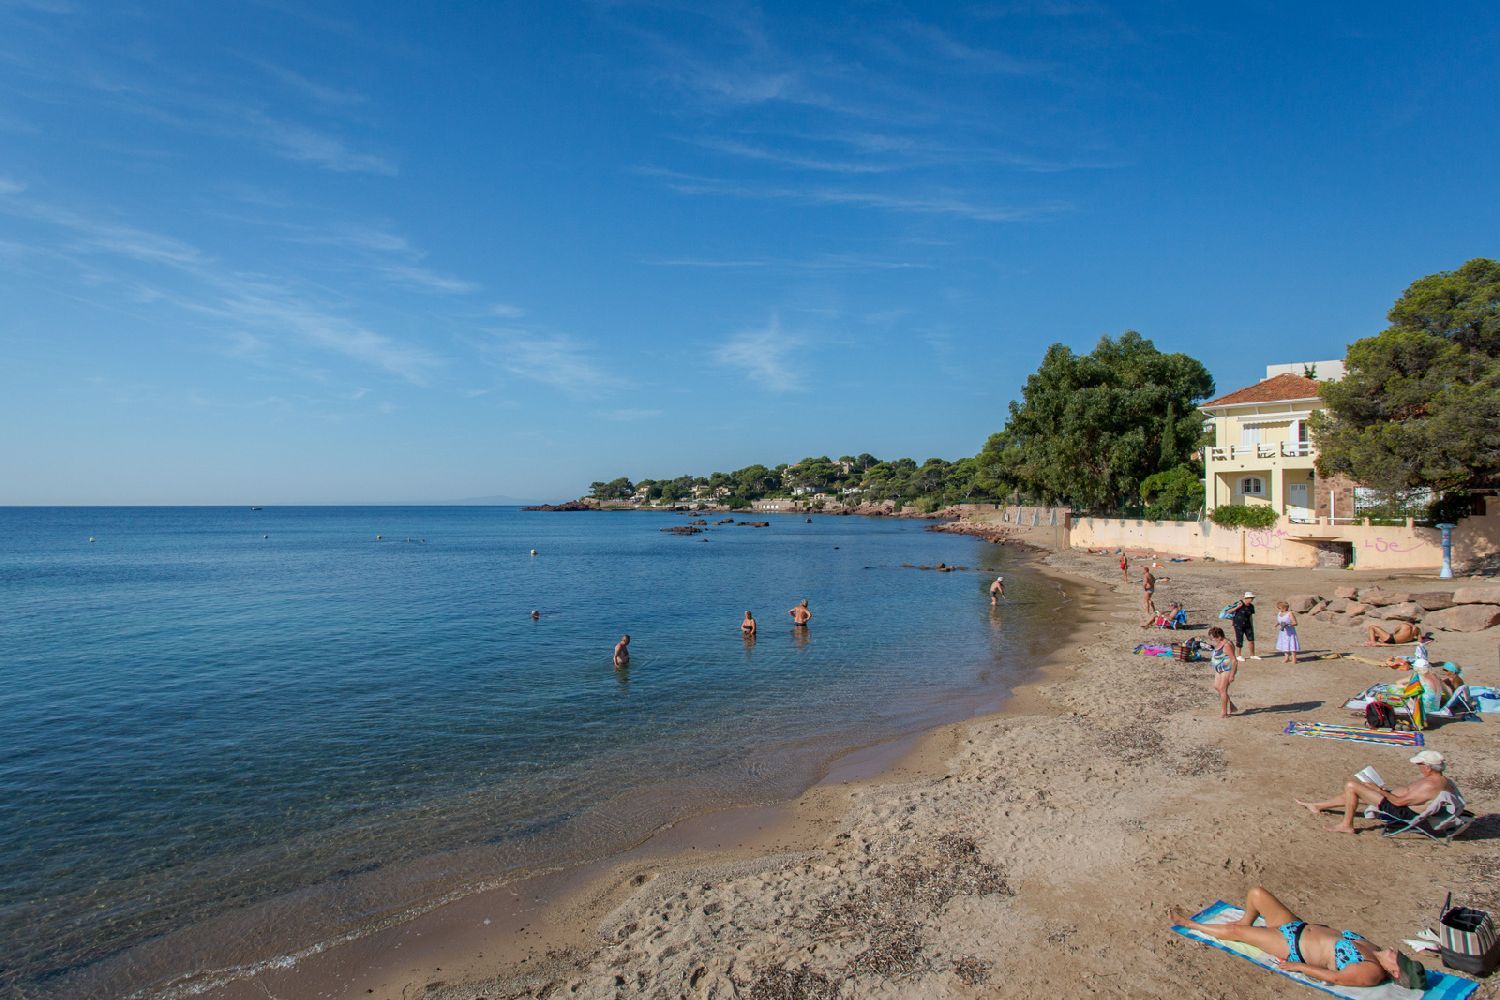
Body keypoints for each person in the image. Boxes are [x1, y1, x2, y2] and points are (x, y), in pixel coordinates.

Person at [1170, 887, 1424, 989]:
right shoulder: (1375, 949)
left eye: (1398, 958)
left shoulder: (1371, 972)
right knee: (1257, 893)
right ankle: (1245, 921)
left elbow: (1334, 976)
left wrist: (1299, 967)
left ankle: (1188, 923)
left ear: (1396, 972)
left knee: (1237, 934)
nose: (1395, 951)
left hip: (1292, 945)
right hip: (1296, 926)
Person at [1296, 750, 1455, 835]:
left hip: (1403, 811)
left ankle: (1347, 825)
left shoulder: (1429, 785)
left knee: (1352, 786)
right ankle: (1317, 805)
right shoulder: (1442, 781)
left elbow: (1399, 802)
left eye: (1420, 764)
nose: (1418, 767)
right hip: (1406, 805)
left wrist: (1379, 790)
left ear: (1427, 767)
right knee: (1361, 791)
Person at [1207, 626, 1239, 718]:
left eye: (1213, 638)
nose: (1213, 640)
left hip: (1227, 669)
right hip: (1219, 668)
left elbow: (1234, 660)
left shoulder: (1227, 645)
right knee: (1217, 687)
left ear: (1219, 636)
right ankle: (1231, 706)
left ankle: (1224, 712)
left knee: (1222, 690)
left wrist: (1232, 675)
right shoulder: (1220, 642)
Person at [1229, 592, 1256, 657]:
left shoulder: (1251, 606)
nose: (1252, 599)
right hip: (1238, 625)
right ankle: (1239, 656)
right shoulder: (1239, 603)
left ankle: (1252, 655)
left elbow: (1250, 617)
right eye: (1251, 598)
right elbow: (1229, 611)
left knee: (1251, 640)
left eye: (1252, 598)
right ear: (1246, 598)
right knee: (1239, 640)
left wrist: (1252, 625)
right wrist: (1238, 607)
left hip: (1248, 625)